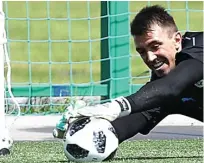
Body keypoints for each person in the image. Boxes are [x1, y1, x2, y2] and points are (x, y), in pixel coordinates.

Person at [53, 5, 203, 143]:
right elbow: (139, 118)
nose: (150, 58)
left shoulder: (200, 47)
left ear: (177, 40)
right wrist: (87, 128)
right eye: (142, 51)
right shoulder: (161, 85)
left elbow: (172, 86)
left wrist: (115, 106)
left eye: (155, 46)